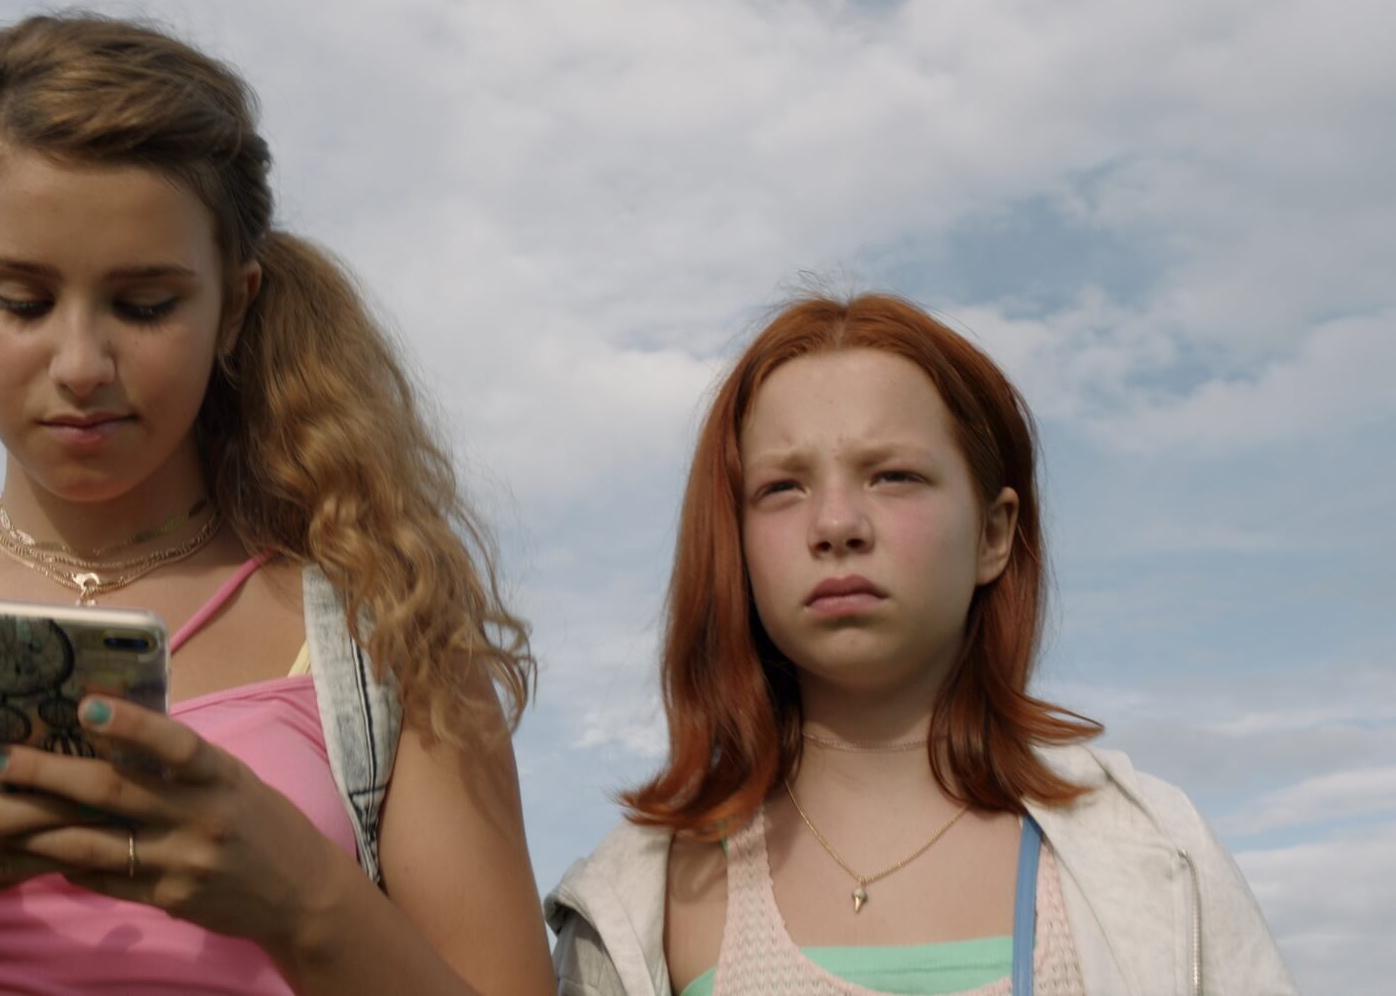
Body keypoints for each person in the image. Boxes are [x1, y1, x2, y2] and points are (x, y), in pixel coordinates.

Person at [0, 12, 552, 995]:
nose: (80, 365)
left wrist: (305, 900)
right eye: (22, 300)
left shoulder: (392, 639)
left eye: (145, 306)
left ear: (234, 305)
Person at [546, 293, 1296, 995]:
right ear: (733, 541)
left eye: (893, 476)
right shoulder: (640, 899)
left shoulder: (1162, 860)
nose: (835, 524)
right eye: (782, 487)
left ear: (994, 535)